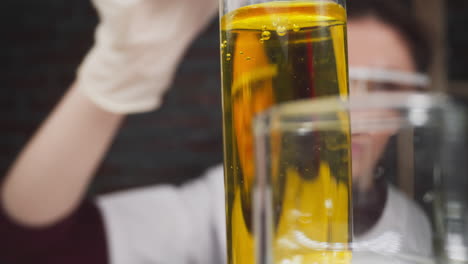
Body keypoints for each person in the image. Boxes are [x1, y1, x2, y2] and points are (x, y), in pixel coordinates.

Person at [0, 0, 432, 263]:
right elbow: (27, 248)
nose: (351, 109)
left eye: (386, 85)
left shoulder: (416, 228)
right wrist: (122, 70)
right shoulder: (222, 211)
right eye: (331, 78)